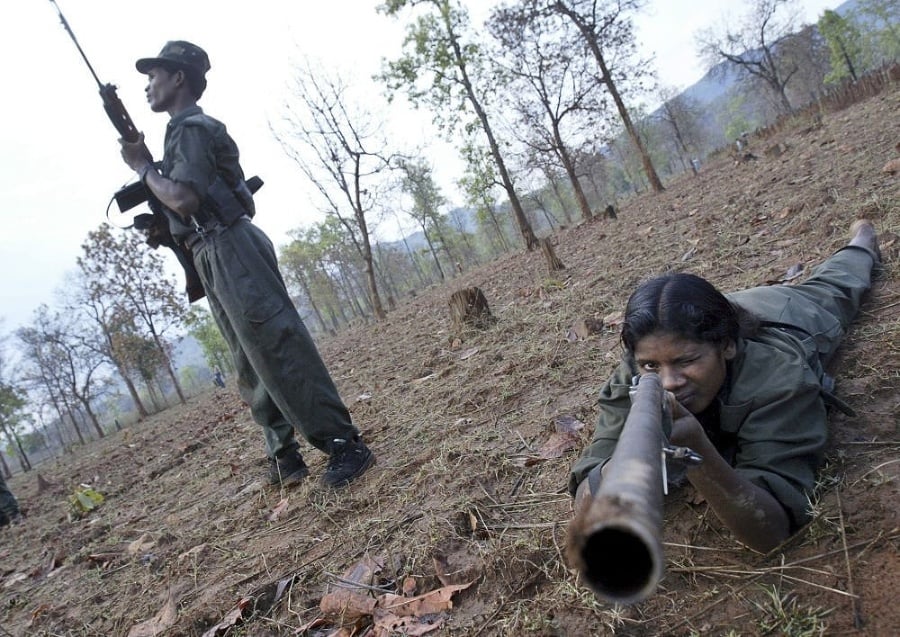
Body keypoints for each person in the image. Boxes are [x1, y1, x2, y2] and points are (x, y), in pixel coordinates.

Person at [119, 41, 374, 488]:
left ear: (179, 78)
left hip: (229, 246)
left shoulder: (192, 128)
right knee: (249, 360)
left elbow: (185, 198)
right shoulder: (178, 133)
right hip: (210, 252)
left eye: (153, 76)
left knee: (277, 345)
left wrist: (143, 169)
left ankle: (343, 444)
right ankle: (284, 457)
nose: (147, 86)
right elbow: (179, 203)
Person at [569, 220, 881, 552]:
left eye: (687, 361)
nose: (669, 382)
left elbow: (772, 533)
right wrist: (634, 447)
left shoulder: (779, 378)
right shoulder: (636, 373)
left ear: (727, 346)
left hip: (788, 314)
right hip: (702, 315)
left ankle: (863, 239)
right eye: (651, 365)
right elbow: (585, 492)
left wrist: (694, 451)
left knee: (842, 279)